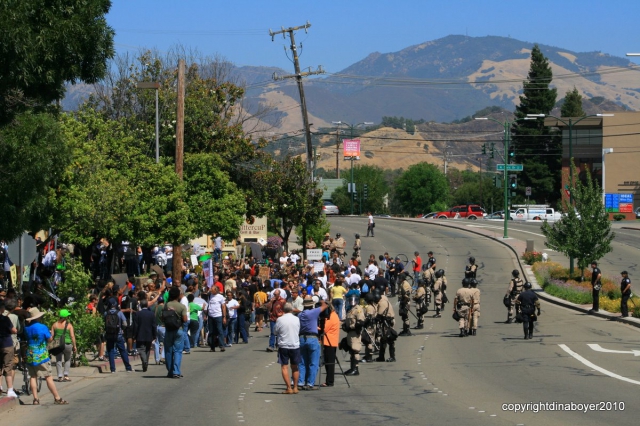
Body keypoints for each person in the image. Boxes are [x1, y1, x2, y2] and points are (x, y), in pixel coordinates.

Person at [24, 307, 68, 405]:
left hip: (30, 354)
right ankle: (57, 397)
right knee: (48, 376)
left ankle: (35, 398)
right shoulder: (42, 327)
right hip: (41, 355)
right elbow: (49, 339)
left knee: (33, 376)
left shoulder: (26, 328)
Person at [298, 296, 328, 390]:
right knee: (313, 362)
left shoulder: (300, 314)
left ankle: (300, 382)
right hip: (312, 338)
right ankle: (310, 383)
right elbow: (325, 305)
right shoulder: (314, 312)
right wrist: (321, 300)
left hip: (302, 338)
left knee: (302, 362)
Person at [275, 302, 300, 394]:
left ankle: (289, 387)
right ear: (292, 309)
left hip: (284, 345)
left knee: (284, 367)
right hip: (295, 344)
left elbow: (276, 331)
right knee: (295, 367)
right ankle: (295, 387)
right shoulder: (297, 319)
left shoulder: (280, 319)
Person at [163, 287, 188, 378]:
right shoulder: (181, 306)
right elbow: (185, 320)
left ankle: (170, 371)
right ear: (178, 295)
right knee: (178, 351)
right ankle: (176, 371)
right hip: (178, 330)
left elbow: (162, 318)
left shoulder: (166, 305)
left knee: (168, 351)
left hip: (168, 330)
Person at [104, 298, 133, 373]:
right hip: (118, 334)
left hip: (109, 334)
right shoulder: (119, 313)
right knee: (122, 351)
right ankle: (128, 367)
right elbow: (125, 324)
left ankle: (112, 369)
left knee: (110, 351)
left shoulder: (106, 313)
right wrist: (122, 329)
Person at [50, 309, 77, 382]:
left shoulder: (54, 325)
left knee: (58, 360)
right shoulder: (69, 325)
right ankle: (66, 375)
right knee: (67, 359)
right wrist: (74, 345)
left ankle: (59, 376)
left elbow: (51, 336)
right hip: (67, 344)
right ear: (66, 317)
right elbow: (72, 336)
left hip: (57, 344)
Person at [344, 297, 365, 376]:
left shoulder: (358, 309)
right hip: (349, 332)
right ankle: (352, 367)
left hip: (355, 333)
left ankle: (355, 369)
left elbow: (361, 322)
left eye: (353, 300)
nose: (352, 302)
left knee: (355, 350)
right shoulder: (351, 309)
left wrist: (354, 327)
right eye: (350, 300)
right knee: (351, 350)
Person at [0, 300, 17, 398]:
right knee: (8, 367)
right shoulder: (5, 319)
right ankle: (10, 390)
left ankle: (0, 386)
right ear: (1, 309)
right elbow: (13, 330)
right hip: (6, 344)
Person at [134, 299, 157, 372]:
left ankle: (144, 361)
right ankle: (145, 363)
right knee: (147, 350)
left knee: (141, 349)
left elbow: (136, 326)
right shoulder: (151, 314)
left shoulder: (138, 314)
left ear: (140, 305)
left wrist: (134, 335)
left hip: (140, 335)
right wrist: (154, 335)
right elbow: (154, 326)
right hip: (149, 335)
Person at [374, 290, 396, 362]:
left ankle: (392, 357)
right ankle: (381, 356)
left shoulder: (382, 303)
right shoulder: (384, 299)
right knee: (383, 340)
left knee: (389, 339)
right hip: (386, 322)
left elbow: (379, 315)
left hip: (387, 322)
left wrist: (374, 320)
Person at [321, 304, 340, 387]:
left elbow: (324, 329)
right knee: (328, 362)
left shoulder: (331, 316)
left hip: (330, 342)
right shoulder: (333, 315)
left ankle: (329, 381)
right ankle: (329, 380)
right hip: (330, 341)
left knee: (329, 362)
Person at [206, 286, 227, 352]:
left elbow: (223, 307)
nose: (211, 291)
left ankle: (222, 346)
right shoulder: (209, 295)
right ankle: (212, 346)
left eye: (212, 290)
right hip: (210, 316)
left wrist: (224, 317)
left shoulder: (220, 297)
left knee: (219, 330)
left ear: (216, 290)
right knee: (211, 332)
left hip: (218, 315)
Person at [398, 272, 412, 336]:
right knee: (403, 317)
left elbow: (407, 295)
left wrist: (404, 302)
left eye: (400, 278)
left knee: (406, 316)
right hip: (403, 301)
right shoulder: (402, 283)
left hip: (405, 302)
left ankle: (407, 330)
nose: (399, 279)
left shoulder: (405, 284)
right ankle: (404, 329)